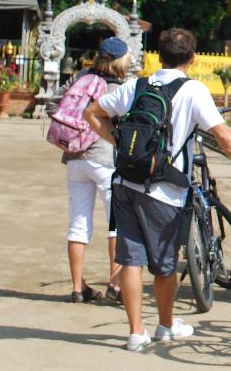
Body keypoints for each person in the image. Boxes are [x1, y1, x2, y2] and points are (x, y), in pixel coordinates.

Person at [84, 28, 231, 352]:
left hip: (126, 183)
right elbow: (224, 136)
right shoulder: (192, 91)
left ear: (158, 56)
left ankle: (135, 333)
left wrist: (120, 143)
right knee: (164, 264)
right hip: (165, 192)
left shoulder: (137, 85)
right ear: (192, 58)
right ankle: (165, 324)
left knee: (131, 261)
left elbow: (91, 113)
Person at [63, 37, 129, 304]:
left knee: (78, 223)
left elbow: (54, 106)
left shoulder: (79, 78)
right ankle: (115, 284)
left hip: (75, 157)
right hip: (106, 159)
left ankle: (78, 288)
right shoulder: (119, 88)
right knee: (115, 224)